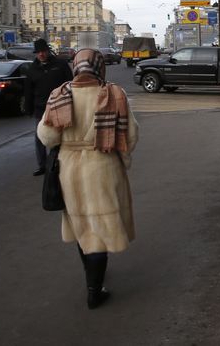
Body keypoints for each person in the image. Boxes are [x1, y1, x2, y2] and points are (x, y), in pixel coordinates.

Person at [37, 48, 139, 309]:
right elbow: (129, 136)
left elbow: (48, 138)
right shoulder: (114, 93)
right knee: (100, 231)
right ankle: (95, 290)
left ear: (76, 66)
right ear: (100, 67)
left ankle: (91, 276)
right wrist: (124, 160)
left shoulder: (60, 94)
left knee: (83, 226)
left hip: (69, 168)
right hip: (103, 165)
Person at [24, 38, 73, 176]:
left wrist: (72, 101)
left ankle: (60, 163)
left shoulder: (60, 64)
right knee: (40, 137)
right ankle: (43, 166)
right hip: (41, 108)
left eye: (43, 51)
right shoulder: (32, 69)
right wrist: (28, 108)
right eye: (38, 52)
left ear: (48, 51)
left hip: (60, 106)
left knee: (61, 136)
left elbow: (70, 83)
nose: (41, 54)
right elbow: (28, 90)